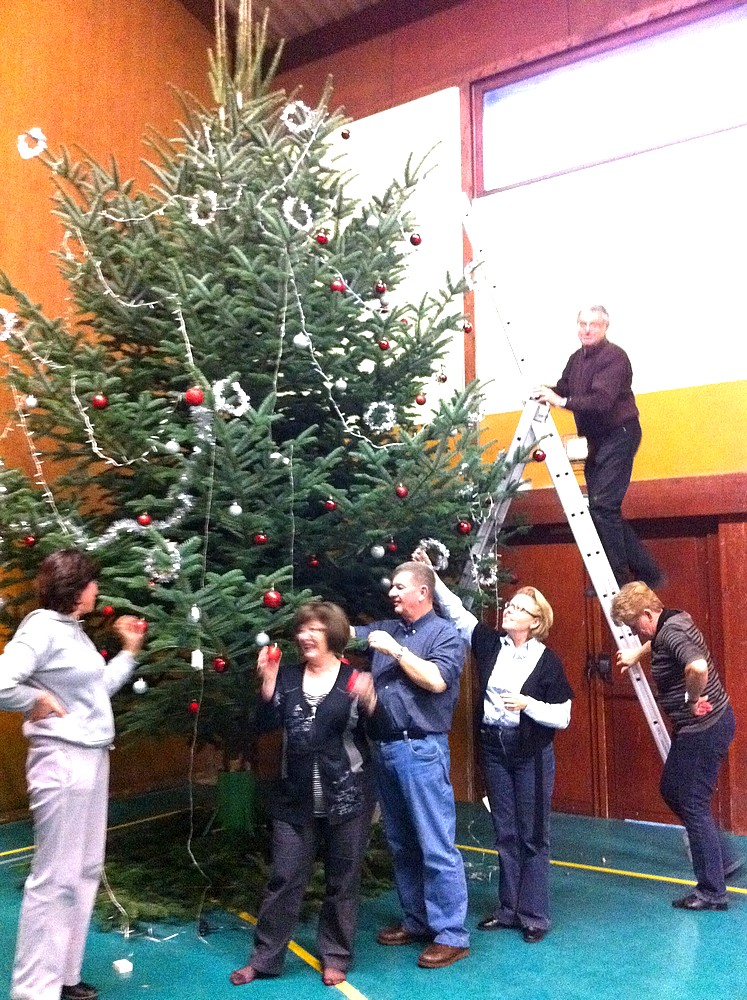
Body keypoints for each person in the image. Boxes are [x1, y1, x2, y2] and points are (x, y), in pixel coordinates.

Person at [0, 549, 145, 1000]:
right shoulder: (42, 628)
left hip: (90, 757)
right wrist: (35, 703)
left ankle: (62, 976)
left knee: (83, 870)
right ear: (78, 588)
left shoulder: (71, 631)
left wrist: (130, 651)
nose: (97, 591)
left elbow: (94, 690)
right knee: (54, 877)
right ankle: (33, 991)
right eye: (93, 583)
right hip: (61, 761)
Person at [413, 549, 572, 943]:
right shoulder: (489, 642)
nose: (509, 610)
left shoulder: (547, 662)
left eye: (519, 609)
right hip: (495, 749)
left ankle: (534, 915)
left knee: (533, 833)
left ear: (535, 622)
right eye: (511, 605)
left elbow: (563, 716)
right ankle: (507, 909)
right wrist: (432, 575)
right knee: (504, 830)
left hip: (531, 751)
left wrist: (529, 705)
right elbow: (455, 611)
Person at [230, 601, 373, 989]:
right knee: (285, 876)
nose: (305, 636)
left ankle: (336, 956)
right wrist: (267, 684)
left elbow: (381, 732)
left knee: (342, 880)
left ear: (334, 635)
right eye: (302, 629)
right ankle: (264, 959)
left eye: (315, 629)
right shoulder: (288, 676)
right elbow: (262, 727)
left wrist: (373, 703)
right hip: (294, 799)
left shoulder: (353, 679)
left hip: (348, 797)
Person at [348, 561, 470, 969]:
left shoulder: (445, 635)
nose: (392, 594)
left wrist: (396, 652)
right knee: (401, 844)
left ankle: (451, 934)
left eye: (400, 588)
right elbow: (343, 634)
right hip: (383, 749)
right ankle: (417, 920)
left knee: (436, 845)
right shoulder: (387, 627)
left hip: (420, 751)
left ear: (424, 592)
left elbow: (436, 680)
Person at [611, 581, 736, 910]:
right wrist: (638, 653)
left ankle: (712, 891)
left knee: (691, 802)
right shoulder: (673, 618)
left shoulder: (669, 632)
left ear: (648, 614)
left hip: (704, 727)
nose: (634, 631)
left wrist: (693, 699)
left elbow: (696, 666)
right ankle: (719, 857)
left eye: (634, 625)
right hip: (701, 727)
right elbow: (658, 639)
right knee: (672, 789)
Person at [534, 305, 662, 588]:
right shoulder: (575, 359)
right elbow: (563, 388)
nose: (587, 329)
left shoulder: (614, 357)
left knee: (603, 506)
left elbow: (601, 401)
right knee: (600, 508)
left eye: (593, 324)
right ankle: (647, 572)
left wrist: (561, 402)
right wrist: (541, 392)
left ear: (605, 327)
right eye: (582, 324)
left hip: (620, 434)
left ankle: (618, 579)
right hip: (595, 440)